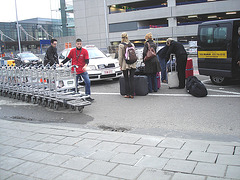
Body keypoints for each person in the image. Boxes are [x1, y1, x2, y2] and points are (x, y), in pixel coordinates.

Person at [118, 32, 136, 98]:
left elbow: (120, 56)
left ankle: (127, 94)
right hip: (133, 63)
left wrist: (120, 65)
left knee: (126, 79)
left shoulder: (121, 45)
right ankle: (132, 94)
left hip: (125, 64)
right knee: (132, 78)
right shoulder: (132, 44)